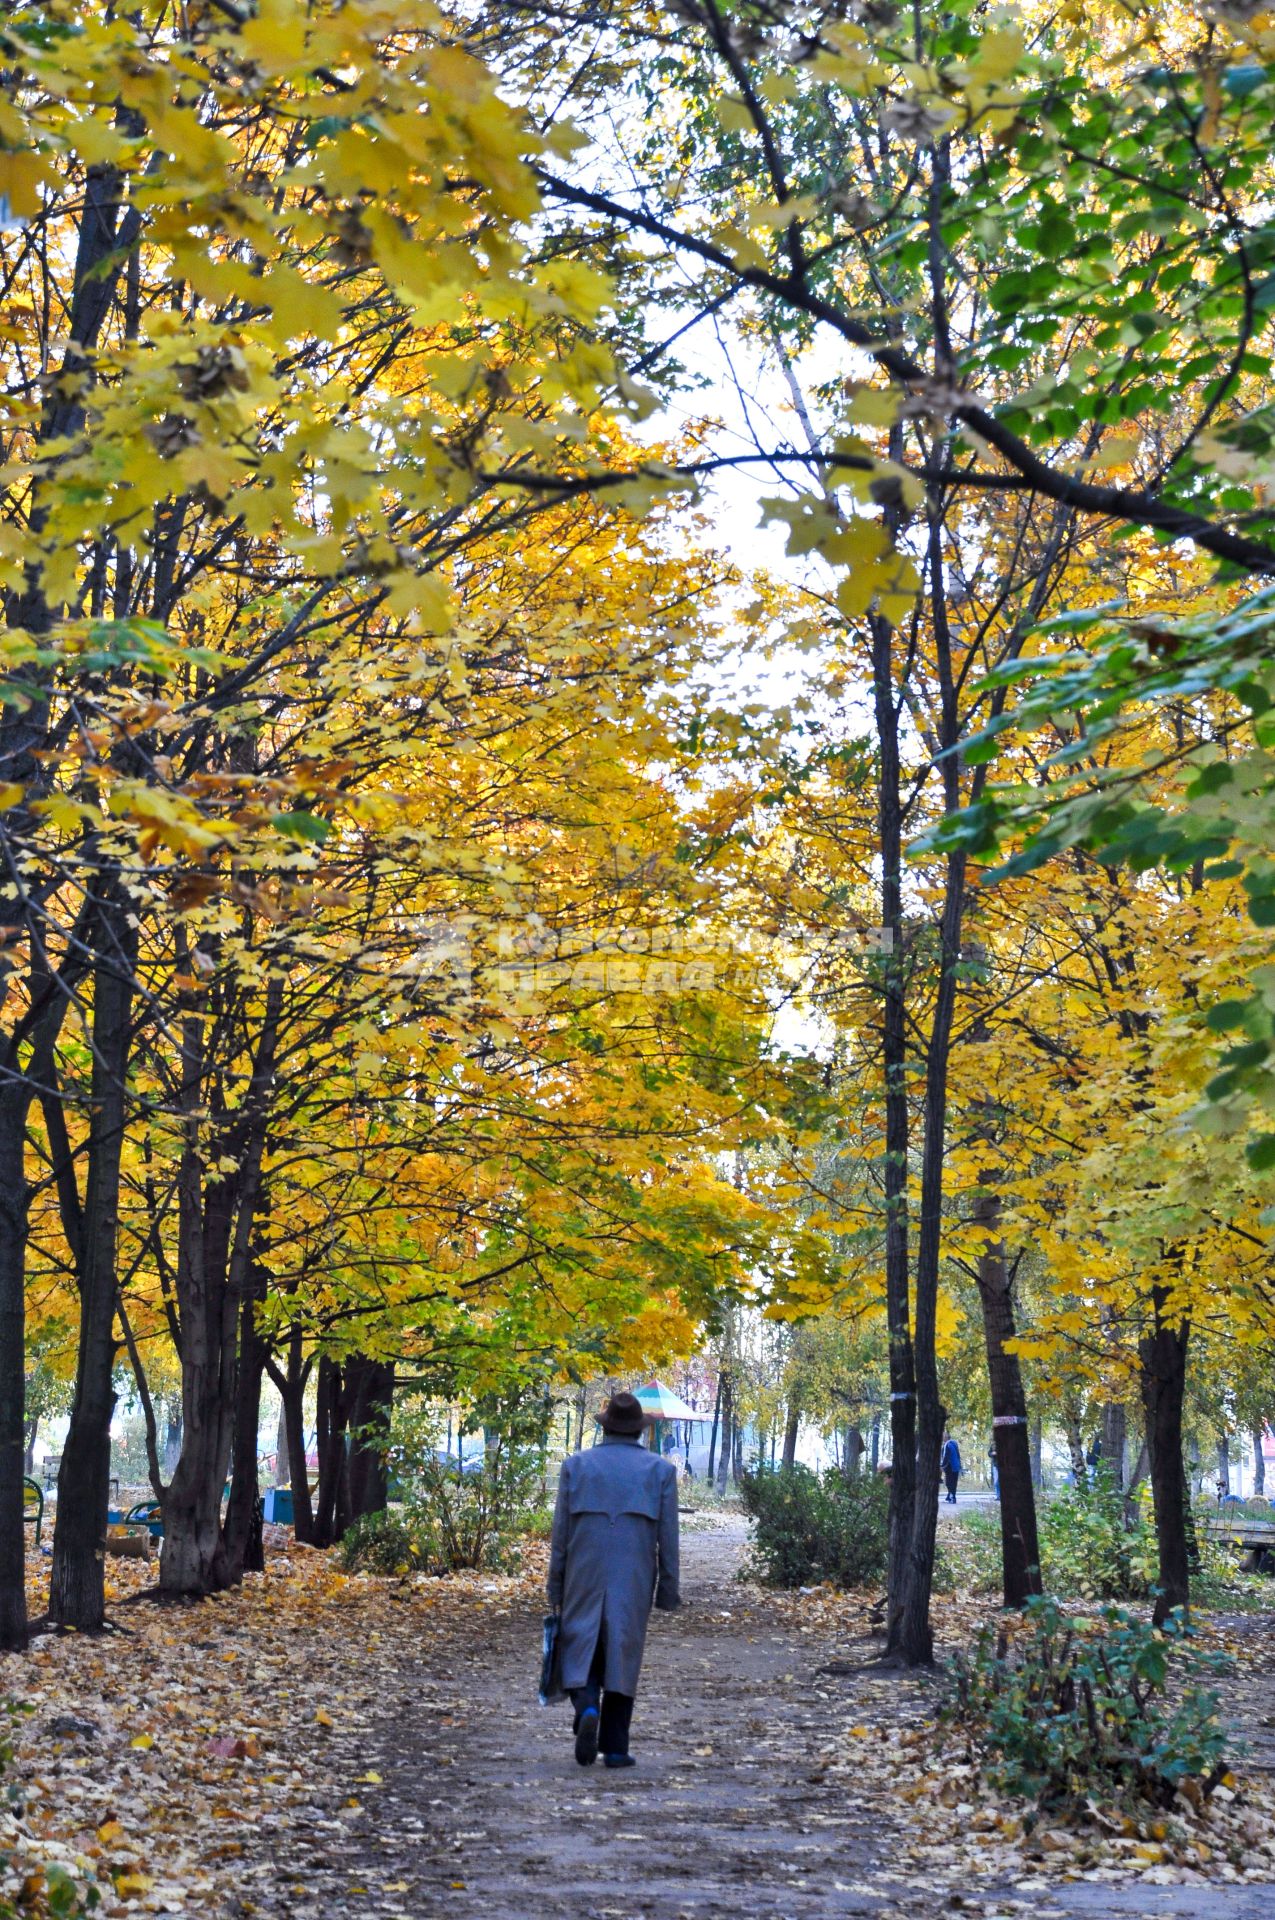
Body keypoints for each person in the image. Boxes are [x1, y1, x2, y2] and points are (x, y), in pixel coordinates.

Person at [547, 1391, 680, 1771]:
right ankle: (616, 1747)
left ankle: (587, 1704)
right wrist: (668, 1591)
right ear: (638, 1430)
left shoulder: (576, 1466)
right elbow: (668, 1539)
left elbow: (560, 1534)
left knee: (579, 1642)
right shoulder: (660, 1471)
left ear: (606, 1428)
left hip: (583, 1571)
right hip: (634, 1575)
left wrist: (555, 1585)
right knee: (624, 1651)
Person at [940, 1431, 961, 1504]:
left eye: (943, 1436)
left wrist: (942, 1466)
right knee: (953, 1482)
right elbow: (958, 1455)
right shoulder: (954, 1443)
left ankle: (952, 1497)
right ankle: (950, 1496)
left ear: (945, 1437)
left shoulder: (947, 1445)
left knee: (949, 1482)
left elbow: (946, 1457)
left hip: (950, 1466)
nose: (942, 1437)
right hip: (956, 1466)